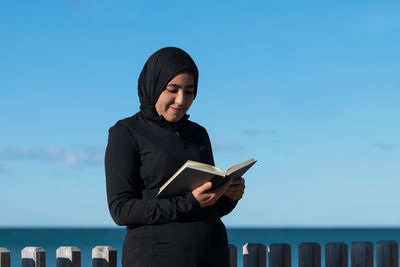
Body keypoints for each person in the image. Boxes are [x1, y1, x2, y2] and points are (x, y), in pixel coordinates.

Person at [105, 47, 245, 267]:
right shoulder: (126, 132)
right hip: (156, 257)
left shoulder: (198, 133)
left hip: (212, 256)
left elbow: (208, 206)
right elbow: (121, 210)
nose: (181, 100)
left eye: (189, 91)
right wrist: (189, 202)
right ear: (154, 85)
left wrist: (228, 196)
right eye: (173, 89)